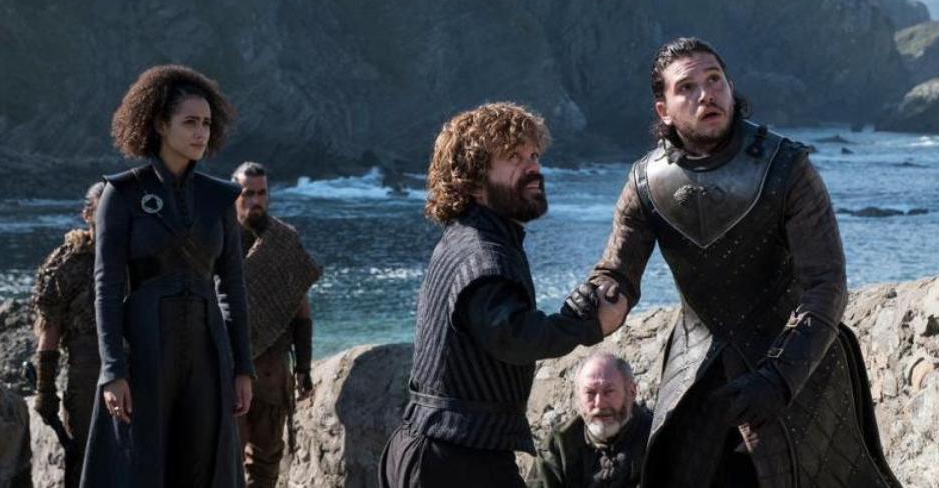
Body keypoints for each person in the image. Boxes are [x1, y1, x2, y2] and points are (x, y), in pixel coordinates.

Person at [588, 38, 902, 487]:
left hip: (799, 374)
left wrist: (779, 378)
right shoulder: (645, 182)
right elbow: (617, 273)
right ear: (664, 111)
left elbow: (826, 284)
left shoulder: (786, 167)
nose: (705, 94)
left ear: (731, 87)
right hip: (697, 377)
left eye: (714, 80)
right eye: (688, 87)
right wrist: (593, 300)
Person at [379, 102, 629, 488]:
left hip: (443, 449)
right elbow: (512, 335)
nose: (533, 167)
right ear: (474, 182)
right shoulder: (484, 253)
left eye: (533, 155)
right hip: (453, 459)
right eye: (513, 157)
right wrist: (588, 324)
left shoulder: (470, 237)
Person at [80, 64, 255, 488]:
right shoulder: (121, 195)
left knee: (202, 466)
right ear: (160, 124)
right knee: (140, 466)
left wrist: (242, 368)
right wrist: (112, 369)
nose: (201, 133)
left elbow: (231, 285)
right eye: (190, 122)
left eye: (207, 124)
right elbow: (106, 287)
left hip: (206, 349)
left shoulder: (220, 198)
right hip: (144, 347)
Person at [232, 161, 321, 488]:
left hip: (272, 369)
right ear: (234, 195)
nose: (255, 201)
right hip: (229, 367)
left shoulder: (283, 241)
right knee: (227, 457)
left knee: (267, 460)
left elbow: (302, 310)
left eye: (261, 193)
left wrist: (305, 367)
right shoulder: (218, 239)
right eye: (247, 193)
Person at [31, 181, 105, 488]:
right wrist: (45, 389)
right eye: (105, 210)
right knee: (86, 460)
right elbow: (49, 332)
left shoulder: (138, 260)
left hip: (138, 372)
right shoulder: (67, 263)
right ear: (87, 214)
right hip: (87, 374)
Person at [528, 353, 652, 488]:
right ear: (578, 398)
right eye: (590, 393)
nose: (599, 404)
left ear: (631, 392)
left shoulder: (655, 438)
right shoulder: (559, 445)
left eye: (609, 391)